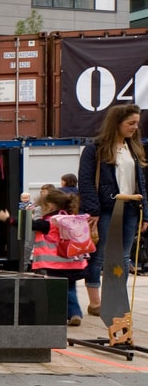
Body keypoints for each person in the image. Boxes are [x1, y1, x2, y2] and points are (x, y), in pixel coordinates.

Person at [78, 103, 147, 318]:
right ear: (117, 123)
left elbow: (141, 182)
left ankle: (116, 298)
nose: (135, 127)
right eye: (131, 123)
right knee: (99, 255)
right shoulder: (95, 148)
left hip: (131, 207)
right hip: (106, 208)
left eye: (136, 123)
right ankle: (95, 302)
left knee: (124, 256)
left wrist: (146, 211)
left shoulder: (133, 149)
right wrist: (93, 210)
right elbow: (86, 181)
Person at [23, 187, 89, 327]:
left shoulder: (49, 222)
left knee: (55, 291)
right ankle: (75, 313)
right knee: (71, 289)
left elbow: (29, 225)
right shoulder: (72, 219)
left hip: (54, 264)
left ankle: (57, 316)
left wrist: (8, 219)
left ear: (50, 206)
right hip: (74, 263)